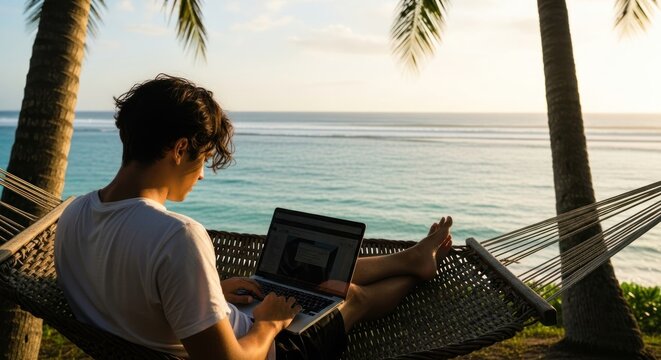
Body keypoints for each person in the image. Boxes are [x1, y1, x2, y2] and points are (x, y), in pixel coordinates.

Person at [54, 74, 453, 360]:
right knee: (351, 297)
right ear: (179, 149)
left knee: (294, 283)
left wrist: (209, 294)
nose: (200, 175)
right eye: (203, 159)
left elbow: (128, 289)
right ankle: (414, 272)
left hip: (182, 329)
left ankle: (407, 259)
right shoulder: (176, 236)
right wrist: (270, 323)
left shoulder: (73, 214)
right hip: (268, 348)